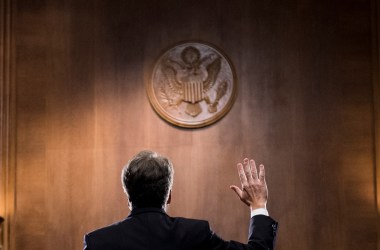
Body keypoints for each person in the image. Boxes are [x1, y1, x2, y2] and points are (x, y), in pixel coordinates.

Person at [84, 150, 278, 250]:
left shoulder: (97, 242)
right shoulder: (195, 234)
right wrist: (258, 205)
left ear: (128, 196)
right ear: (169, 195)